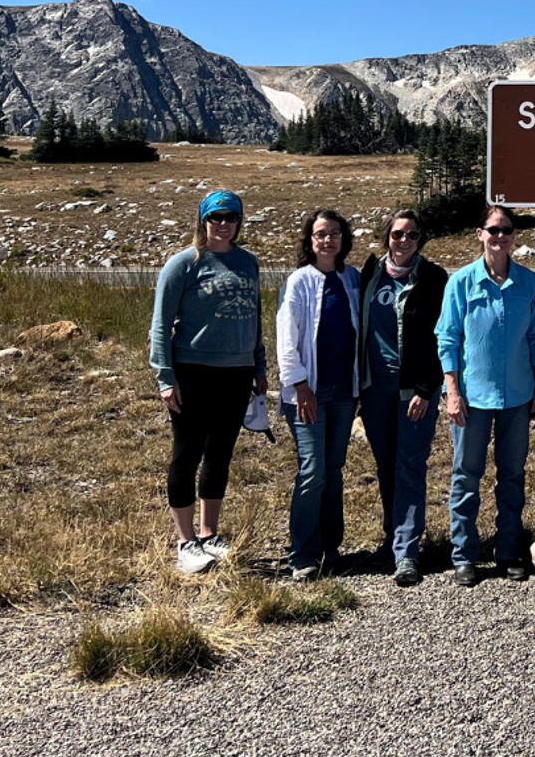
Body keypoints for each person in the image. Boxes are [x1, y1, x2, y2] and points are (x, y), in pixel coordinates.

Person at [148, 189, 266, 575]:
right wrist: (165, 377)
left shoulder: (248, 263)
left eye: (230, 217)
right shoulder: (184, 263)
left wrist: (259, 366)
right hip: (193, 370)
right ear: (203, 221)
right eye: (215, 217)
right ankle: (185, 542)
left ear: (239, 222)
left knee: (220, 454)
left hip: (237, 372)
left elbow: (255, 319)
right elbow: (161, 325)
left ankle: (209, 533)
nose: (223, 224)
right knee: (187, 453)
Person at [436, 204, 535, 586]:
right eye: (493, 229)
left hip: (517, 395)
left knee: (513, 476)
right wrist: (452, 392)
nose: (500, 236)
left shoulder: (528, 282)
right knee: (466, 476)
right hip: (472, 397)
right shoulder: (461, 283)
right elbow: (448, 339)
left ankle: (507, 550)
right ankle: (464, 555)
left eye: (507, 229)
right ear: (479, 234)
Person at [356, 207, 449, 587]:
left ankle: (407, 551)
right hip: (374, 387)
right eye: (398, 234)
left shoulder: (434, 277)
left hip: (415, 390)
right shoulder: (370, 274)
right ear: (386, 237)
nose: (405, 241)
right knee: (386, 465)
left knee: (410, 465)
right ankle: (392, 538)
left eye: (412, 235)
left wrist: (428, 388)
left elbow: (442, 336)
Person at [276, 209, 362, 582]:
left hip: (344, 390)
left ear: (344, 239)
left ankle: (331, 547)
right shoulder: (299, 282)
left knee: (334, 469)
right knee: (312, 470)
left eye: (334, 234)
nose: (328, 240)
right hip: (308, 392)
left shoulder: (353, 279)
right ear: (309, 240)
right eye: (320, 234)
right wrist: (299, 385)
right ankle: (303, 554)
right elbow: (286, 339)